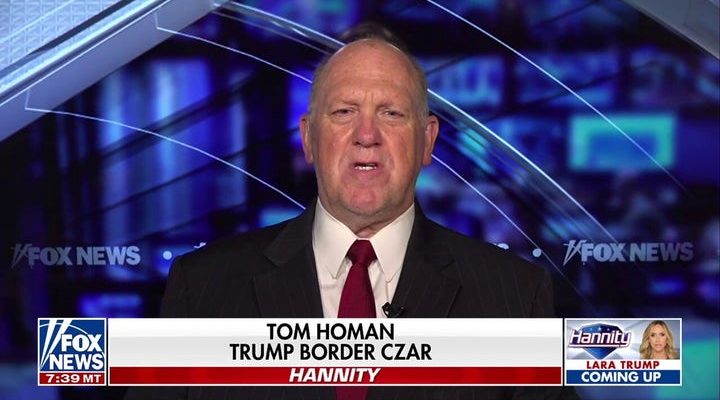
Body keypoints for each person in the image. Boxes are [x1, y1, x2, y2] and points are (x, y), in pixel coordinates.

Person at [126, 26, 578, 400]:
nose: (367, 135)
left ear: (427, 140)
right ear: (308, 138)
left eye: (391, 113)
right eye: (344, 112)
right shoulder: (203, 290)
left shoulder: (514, 298)